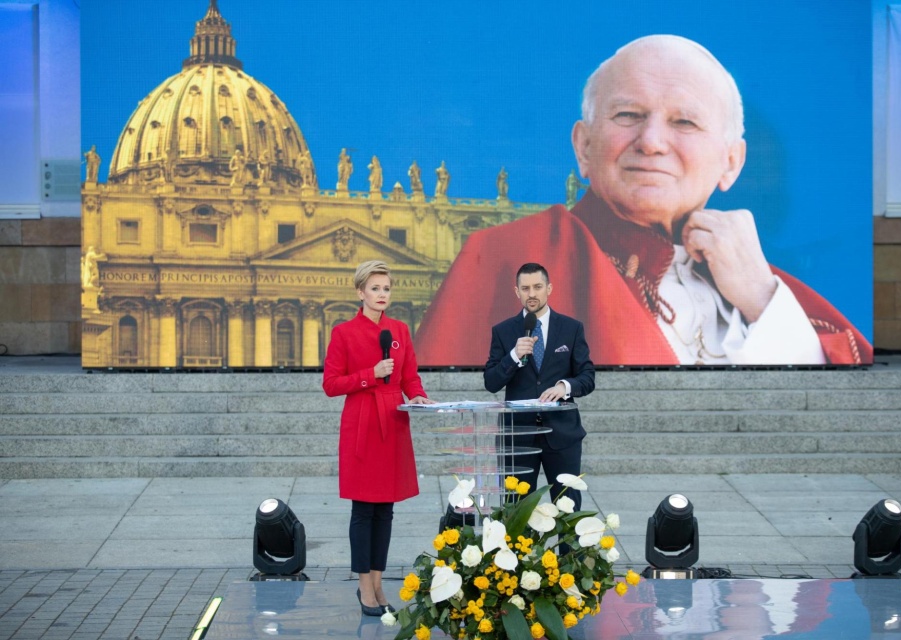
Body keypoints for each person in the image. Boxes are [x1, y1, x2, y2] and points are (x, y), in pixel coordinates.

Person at [415, 35, 872, 366]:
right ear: (583, 146)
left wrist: (761, 298)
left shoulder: (769, 291)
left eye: (685, 122)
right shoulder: (501, 258)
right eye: (628, 115)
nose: (651, 142)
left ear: (731, 162)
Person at [322, 260, 434, 616]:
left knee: (386, 509)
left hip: (394, 421)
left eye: (386, 288)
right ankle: (363, 586)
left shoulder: (400, 329)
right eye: (375, 288)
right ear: (360, 292)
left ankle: (378, 582)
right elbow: (331, 384)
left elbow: (410, 377)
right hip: (362, 422)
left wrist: (416, 395)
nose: (382, 294)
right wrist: (369, 375)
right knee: (363, 509)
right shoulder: (344, 333)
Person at [484, 263, 595, 516]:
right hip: (518, 437)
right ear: (517, 292)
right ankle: (521, 557)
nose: (531, 294)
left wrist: (564, 386)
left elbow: (587, 376)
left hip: (562, 435)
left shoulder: (571, 328)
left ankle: (568, 558)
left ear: (549, 289)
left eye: (537, 287)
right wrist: (513, 355)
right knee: (517, 512)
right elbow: (491, 382)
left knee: (568, 511)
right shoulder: (503, 331)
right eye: (525, 288)